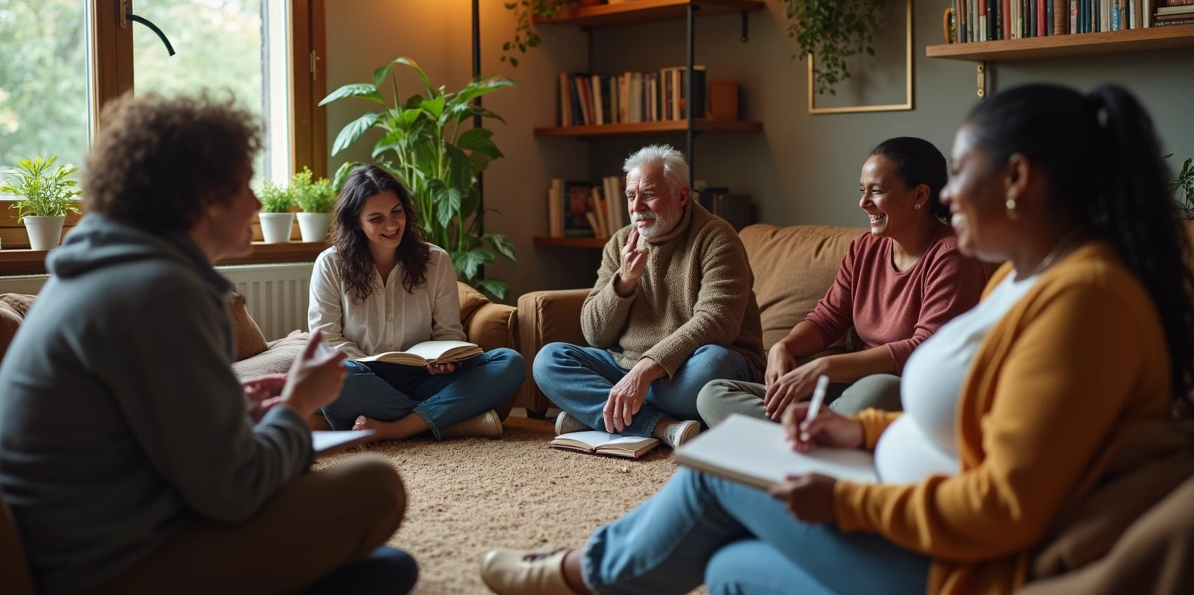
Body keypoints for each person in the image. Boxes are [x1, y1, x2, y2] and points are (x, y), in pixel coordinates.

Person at [480, 83, 1194, 595]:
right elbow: (984, 425)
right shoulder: (1027, 278)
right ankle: (613, 542)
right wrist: (867, 435)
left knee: (716, 471)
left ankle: (582, 571)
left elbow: (1004, 508)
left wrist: (844, 499)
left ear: (1016, 179)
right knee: (728, 569)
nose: (946, 194)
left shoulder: (1086, 302)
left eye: (960, 173)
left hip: (960, 567)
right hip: (915, 498)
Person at [0, 93, 417, 595]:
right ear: (206, 197)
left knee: (383, 568)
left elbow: (145, 433)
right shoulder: (162, 294)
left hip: (86, 542)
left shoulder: (103, 271)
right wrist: (298, 405)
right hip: (107, 567)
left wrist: (227, 412)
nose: (256, 204)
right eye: (246, 186)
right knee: (374, 488)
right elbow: (234, 492)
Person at [698, 137, 989, 427]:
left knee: (879, 389)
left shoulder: (952, 255)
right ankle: (816, 433)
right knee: (712, 394)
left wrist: (827, 367)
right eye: (863, 190)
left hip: (904, 390)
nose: (863, 202)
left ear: (920, 195)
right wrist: (782, 347)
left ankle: (802, 432)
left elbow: (923, 348)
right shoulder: (865, 247)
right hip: (848, 390)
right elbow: (828, 318)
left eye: (877, 191)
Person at [534, 144, 765, 449]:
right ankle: (660, 425)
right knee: (548, 361)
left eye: (649, 194)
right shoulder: (620, 243)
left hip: (691, 368)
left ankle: (605, 412)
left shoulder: (717, 238)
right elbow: (594, 334)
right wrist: (624, 282)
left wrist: (645, 371)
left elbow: (716, 322)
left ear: (681, 196)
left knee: (712, 366)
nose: (637, 206)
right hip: (626, 367)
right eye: (631, 196)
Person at [309, 164, 525, 441]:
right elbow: (327, 340)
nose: (391, 225)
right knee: (329, 376)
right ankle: (444, 421)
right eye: (376, 218)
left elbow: (448, 333)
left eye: (396, 212)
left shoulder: (436, 260)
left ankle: (399, 428)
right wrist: (367, 364)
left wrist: (444, 360)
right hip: (363, 377)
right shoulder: (330, 264)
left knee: (510, 362)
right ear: (355, 222)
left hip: (425, 378)